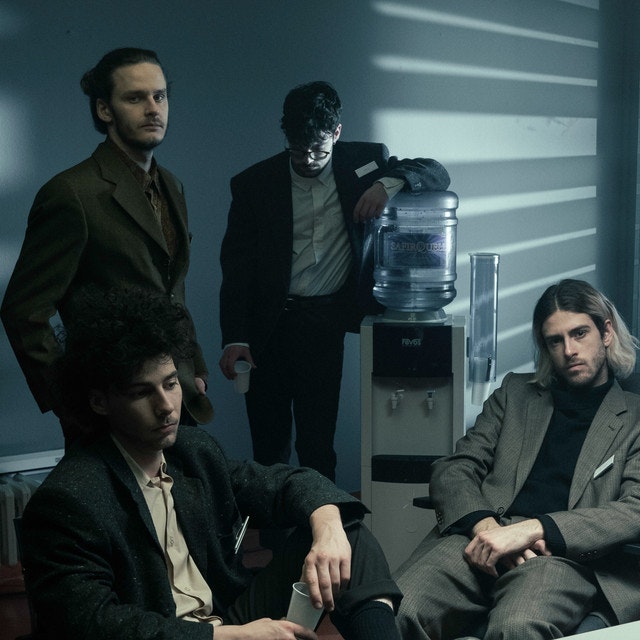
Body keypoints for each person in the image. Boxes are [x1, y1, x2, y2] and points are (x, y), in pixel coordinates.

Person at [20, 285, 404, 640]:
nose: (166, 406)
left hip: (229, 618)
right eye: (141, 393)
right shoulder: (69, 499)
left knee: (346, 533)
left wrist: (328, 528)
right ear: (99, 401)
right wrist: (233, 637)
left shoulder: (192, 452)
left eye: (170, 384)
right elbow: (93, 623)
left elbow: (284, 484)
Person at [219, 80, 450, 481]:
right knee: (269, 447)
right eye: (297, 149)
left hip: (324, 325)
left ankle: (322, 521)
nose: (308, 159)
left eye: (318, 150)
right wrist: (234, 337)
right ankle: (273, 523)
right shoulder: (253, 184)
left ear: (337, 132)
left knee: (318, 444)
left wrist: (387, 185)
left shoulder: (366, 163)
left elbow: (436, 172)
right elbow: (236, 267)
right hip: (266, 328)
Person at [394, 279, 640, 640]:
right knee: (397, 608)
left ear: (605, 332)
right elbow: (455, 468)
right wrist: (488, 529)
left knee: (516, 626)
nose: (569, 350)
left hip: (559, 556)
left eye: (579, 333)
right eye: (555, 340)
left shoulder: (635, 417)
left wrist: (534, 529)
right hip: (482, 539)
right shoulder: (515, 394)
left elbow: (634, 509)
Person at [1, 47, 213, 440]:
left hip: (177, 396)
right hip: (110, 411)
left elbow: (171, 290)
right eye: (135, 98)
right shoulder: (71, 193)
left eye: (160, 96)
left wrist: (194, 367)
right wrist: (71, 401)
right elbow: (23, 310)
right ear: (104, 109)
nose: (153, 109)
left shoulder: (172, 185)